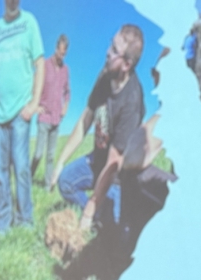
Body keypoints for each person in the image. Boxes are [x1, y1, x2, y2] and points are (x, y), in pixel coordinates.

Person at [50, 25, 145, 231]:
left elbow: (113, 164)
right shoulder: (105, 76)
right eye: (110, 44)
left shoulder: (132, 102)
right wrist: (60, 163)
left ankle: (99, 216)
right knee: (66, 181)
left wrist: (89, 209)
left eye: (114, 50)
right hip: (96, 162)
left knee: (117, 235)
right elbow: (85, 120)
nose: (107, 52)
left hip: (117, 178)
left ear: (127, 64)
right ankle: (97, 218)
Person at [0, 0, 44, 233]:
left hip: (20, 112)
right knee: (1, 172)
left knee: (21, 167)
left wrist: (34, 103)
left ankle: (25, 220)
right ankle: (3, 223)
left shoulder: (29, 23)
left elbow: (40, 63)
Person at [31, 34, 70, 188]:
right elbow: (34, 84)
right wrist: (35, 105)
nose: (62, 55)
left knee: (51, 156)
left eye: (64, 53)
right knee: (39, 154)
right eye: (60, 52)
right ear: (55, 48)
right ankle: (28, 178)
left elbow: (68, 91)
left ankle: (47, 186)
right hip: (44, 116)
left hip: (56, 119)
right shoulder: (45, 65)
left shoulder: (66, 70)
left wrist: (65, 106)